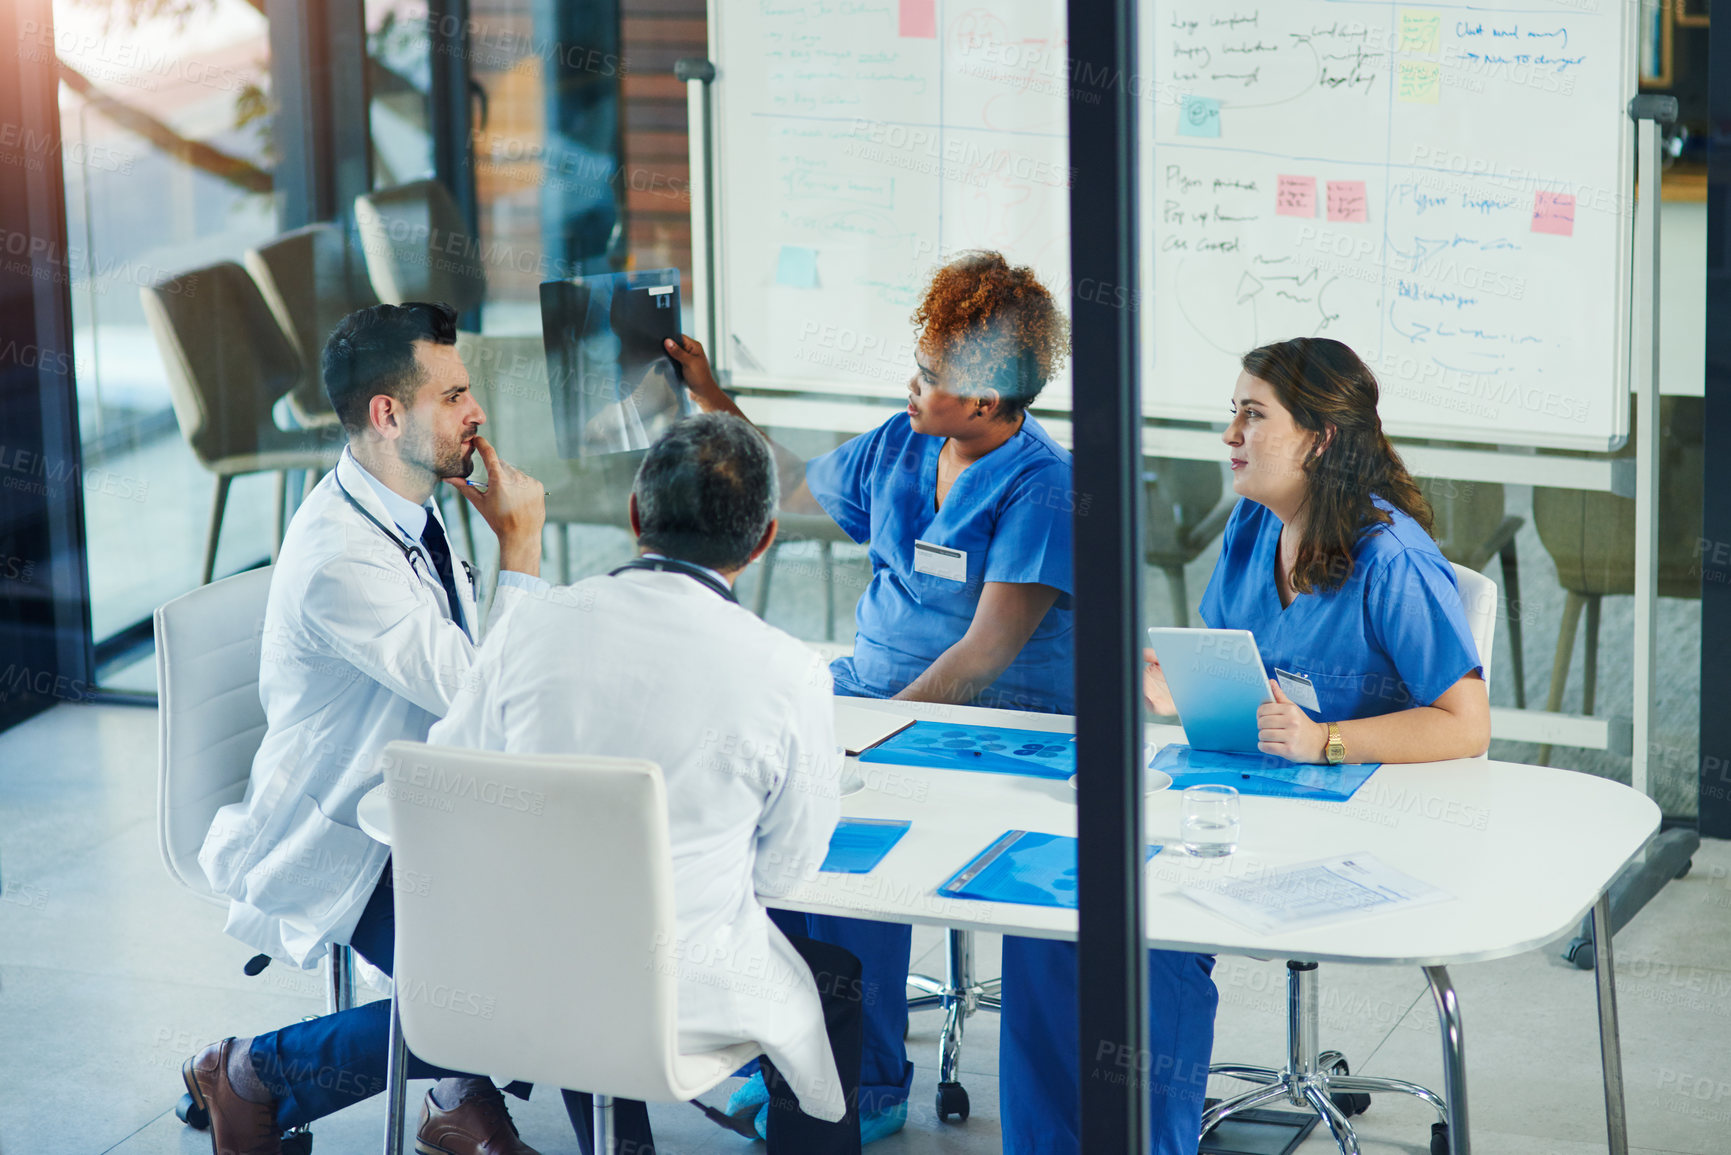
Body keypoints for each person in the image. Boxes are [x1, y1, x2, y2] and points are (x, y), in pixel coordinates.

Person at [1011, 336, 1492, 1155]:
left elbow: (1466, 722)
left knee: (1145, 928)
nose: (1229, 434)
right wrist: (1183, 687)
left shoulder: (1392, 559)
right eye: (1229, 413)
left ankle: (1144, 1143)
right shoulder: (1250, 527)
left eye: (1251, 415)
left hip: (1357, 818)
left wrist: (1326, 740)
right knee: (1051, 909)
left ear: (1320, 437)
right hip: (1252, 792)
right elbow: (1253, 673)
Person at [663, 250, 1075, 1143]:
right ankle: (781, 1055)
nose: (911, 384)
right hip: (872, 694)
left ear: (986, 401)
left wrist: (871, 735)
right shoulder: (905, 441)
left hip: (987, 722)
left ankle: (869, 1082)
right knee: (754, 812)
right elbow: (794, 484)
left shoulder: (1043, 487)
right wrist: (711, 396)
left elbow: (982, 653)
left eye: (929, 376)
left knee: (852, 848)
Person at [429, 412, 864, 1155]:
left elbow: (452, 776)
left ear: (635, 516)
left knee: (588, 931)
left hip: (521, 972)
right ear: (763, 541)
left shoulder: (532, 623)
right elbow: (787, 872)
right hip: (676, 996)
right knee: (836, 983)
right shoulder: (786, 669)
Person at [184, 302, 554, 1155]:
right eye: (456, 394)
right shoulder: (341, 558)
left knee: (571, 925)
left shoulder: (415, 507)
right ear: (389, 414)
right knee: (505, 989)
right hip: (354, 832)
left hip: (434, 804)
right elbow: (478, 699)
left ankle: (462, 1094)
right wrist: (522, 551)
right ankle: (253, 1072)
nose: (478, 412)